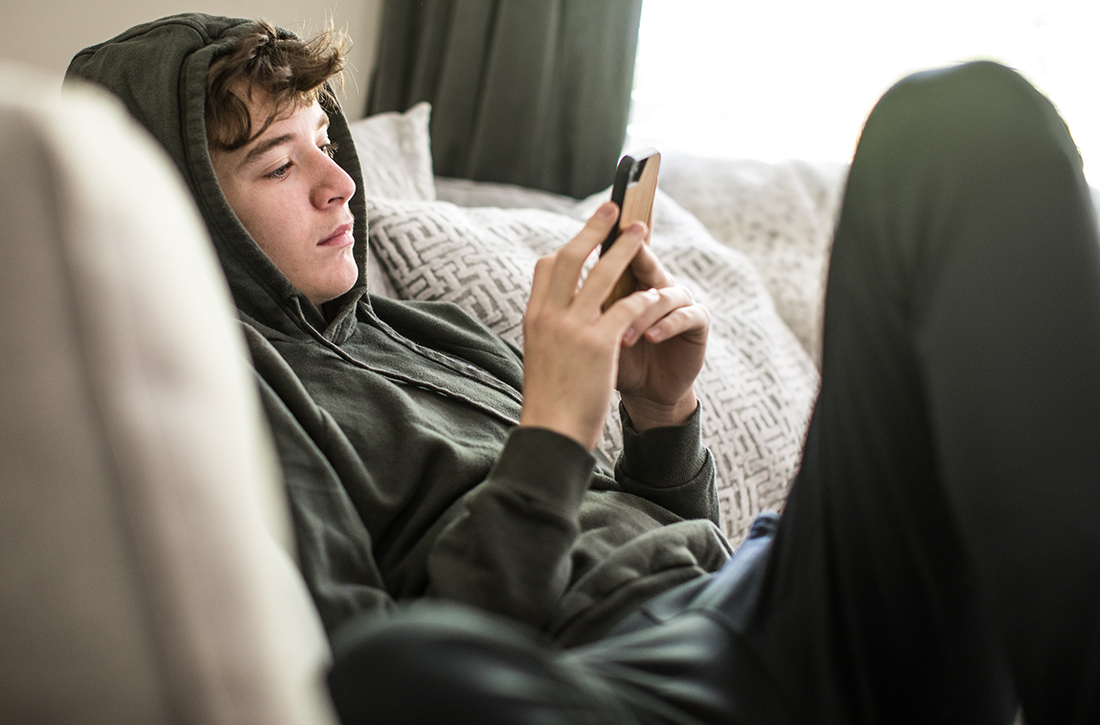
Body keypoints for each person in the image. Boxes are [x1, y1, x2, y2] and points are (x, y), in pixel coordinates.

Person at [68, 13, 1100, 725]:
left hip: (763, 598)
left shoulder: (419, 330)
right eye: (281, 164)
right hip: (622, 686)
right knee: (395, 680)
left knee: (956, 122)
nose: (340, 183)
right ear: (179, 209)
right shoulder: (226, 405)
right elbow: (364, 664)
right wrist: (554, 428)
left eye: (324, 141)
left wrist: (661, 419)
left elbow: (647, 539)